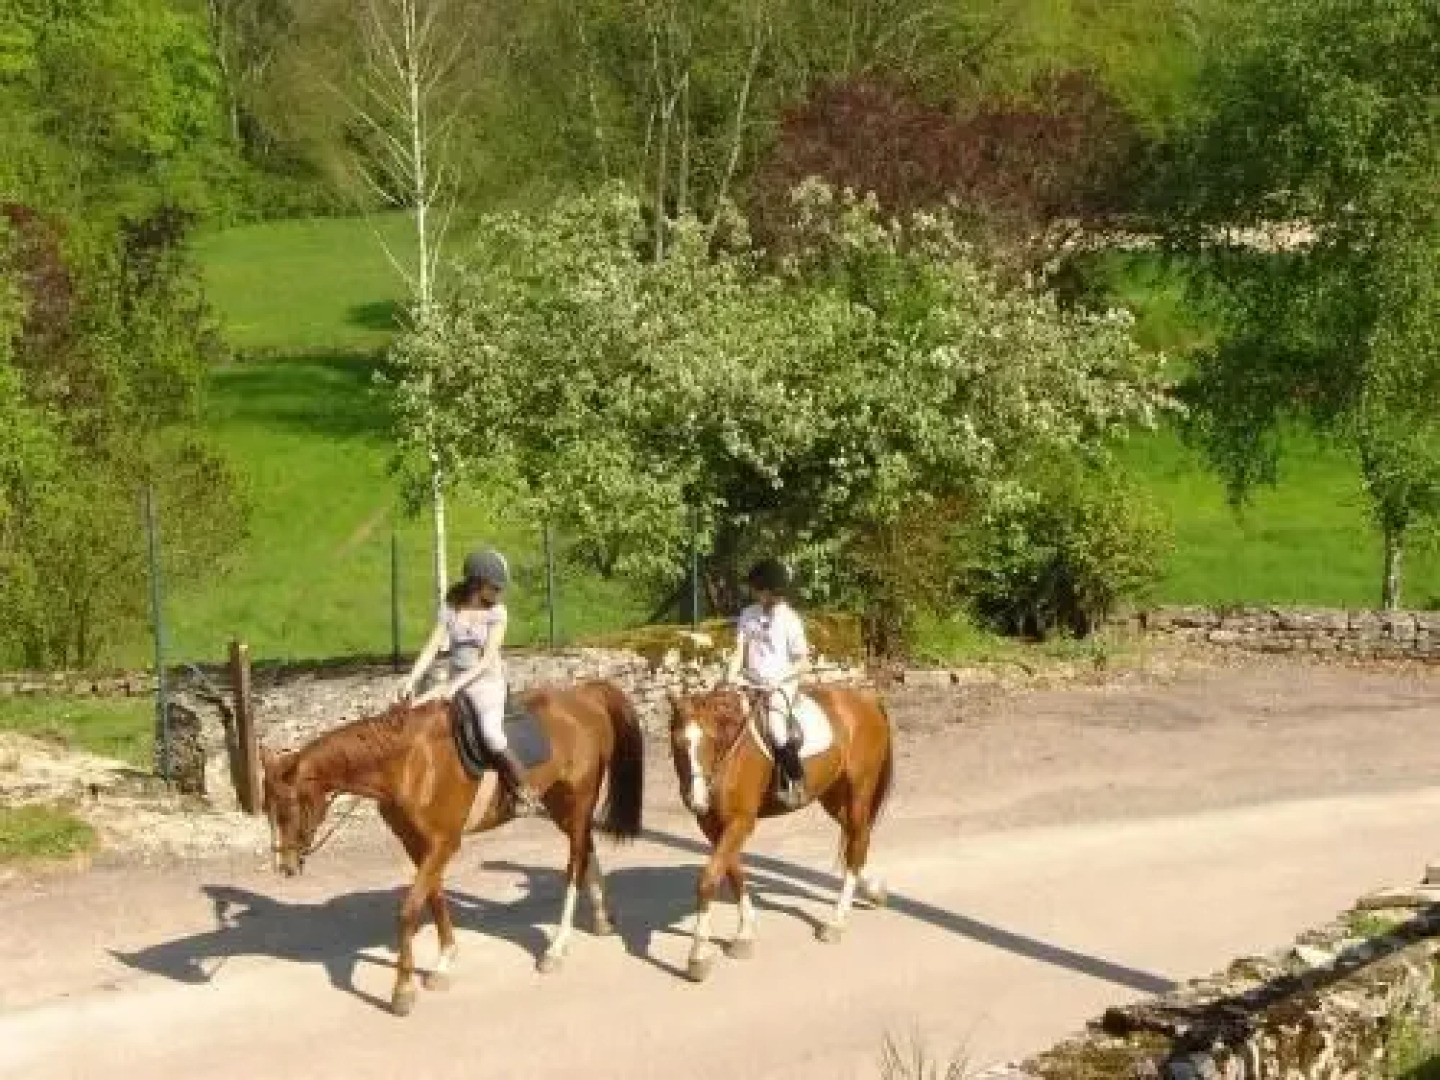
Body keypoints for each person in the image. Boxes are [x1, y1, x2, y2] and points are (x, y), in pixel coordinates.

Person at [397, 547, 542, 815]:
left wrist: (453, 686)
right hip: (453, 682)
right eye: (495, 587)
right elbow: (432, 647)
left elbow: (487, 660)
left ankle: (524, 791)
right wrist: (412, 678)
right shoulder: (450, 608)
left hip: (485, 684)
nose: (499, 592)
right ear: (477, 583)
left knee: (491, 734)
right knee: (415, 713)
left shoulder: (498, 613)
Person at [726, 557, 811, 808]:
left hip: (781, 682)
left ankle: (796, 779)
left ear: (770, 591)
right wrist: (729, 677)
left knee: (775, 727)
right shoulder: (747, 614)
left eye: (756, 588)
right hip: (750, 679)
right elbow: (739, 650)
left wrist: (778, 679)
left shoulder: (790, 620)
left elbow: (803, 662)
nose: (753, 592)